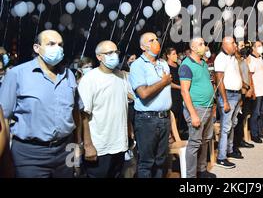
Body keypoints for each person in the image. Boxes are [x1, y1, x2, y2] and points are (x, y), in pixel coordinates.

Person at [0, 30, 83, 178]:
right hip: (29, 154)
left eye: (60, 44)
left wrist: (77, 147)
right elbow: (4, 119)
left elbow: (75, 113)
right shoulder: (17, 74)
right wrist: (6, 159)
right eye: (51, 44)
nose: (57, 48)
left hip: (66, 149)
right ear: (37, 48)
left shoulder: (69, 75)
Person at [78, 41, 132, 178]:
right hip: (100, 146)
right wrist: (88, 145)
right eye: (109, 53)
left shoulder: (122, 76)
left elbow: (124, 105)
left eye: (116, 52)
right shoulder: (90, 79)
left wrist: (129, 132)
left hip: (119, 144)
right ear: (99, 57)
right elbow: (83, 115)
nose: (114, 55)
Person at [129, 32, 172, 178]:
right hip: (147, 120)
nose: (155, 42)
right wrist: (164, 82)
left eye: (156, 39)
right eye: (151, 40)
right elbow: (144, 94)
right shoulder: (137, 66)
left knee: (161, 161)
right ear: (142, 47)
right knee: (147, 162)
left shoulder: (163, 63)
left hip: (165, 118)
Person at [179, 37, 216, 178]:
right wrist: (193, 114)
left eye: (204, 43)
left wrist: (212, 105)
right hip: (196, 109)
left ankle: (201, 170)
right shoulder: (186, 65)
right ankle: (190, 176)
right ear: (193, 48)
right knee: (194, 144)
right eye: (200, 44)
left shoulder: (204, 64)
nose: (204, 46)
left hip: (208, 107)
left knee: (206, 140)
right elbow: (184, 91)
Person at [214, 37, 243, 169]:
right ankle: (221, 157)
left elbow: (237, 76)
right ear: (225, 45)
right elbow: (219, 81)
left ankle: (230, 150)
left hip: (236, 94)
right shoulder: (220, 58)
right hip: (228, 96)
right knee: (225, 127)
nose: (235, 45)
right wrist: (225, 101)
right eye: (232, 43)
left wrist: (240, 95)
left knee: (233, 124)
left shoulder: (233, 58)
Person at [248, 41, 263, 142]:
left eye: (261, 46)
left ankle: (260, 131)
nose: (261, 47)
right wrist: (252, 90)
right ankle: (254, 134)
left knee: (262, 113)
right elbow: (250, 76)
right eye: (258, 46)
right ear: (253, 48)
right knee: (255, 113)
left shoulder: (260, 58)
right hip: (257, 91)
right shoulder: (251, 59)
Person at [233, 45, 254, 149]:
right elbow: (239, 78)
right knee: (238, 118)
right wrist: (246, 88)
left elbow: (248, 76)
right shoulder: (235, 62)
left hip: (246, 91)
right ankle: (237, 142)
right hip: (241, 92)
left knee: (243, 117)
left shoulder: (243, 61)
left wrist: (250, 88)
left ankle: (240, 139)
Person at [166, 47, 187, 138]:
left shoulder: (178, 66)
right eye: (173, 54)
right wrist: (180, 87)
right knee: (173, 115)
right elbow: (168, 83)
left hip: (180, 94)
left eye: (176, 54)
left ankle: (179, 133)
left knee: (180, 113)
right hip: (172, 94)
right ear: (168, 56)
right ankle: (172, 135)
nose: (176, 56)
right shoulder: (166, 67)